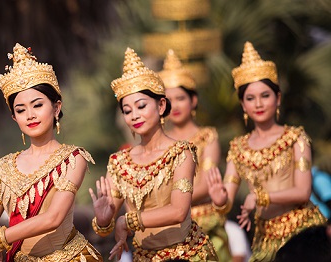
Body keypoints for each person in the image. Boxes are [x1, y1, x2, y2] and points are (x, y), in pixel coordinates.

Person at [0, 43, 101, 261]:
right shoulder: (5, 167)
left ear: (56, 108)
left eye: (37, 105)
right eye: (21, 110)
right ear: (14, 118)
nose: (30, 115)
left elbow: (53, 218)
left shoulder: (73, 159)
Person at [89, 48, 217, 261]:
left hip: (186, 255)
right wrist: (103, 220)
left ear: (161, 105)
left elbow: (178, 211)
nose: (134, 115)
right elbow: (105, 228)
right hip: (143, 256)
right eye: (127, 111)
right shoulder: (119, 162)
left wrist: (127, 221)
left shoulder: (181, 152)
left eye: (141, 106)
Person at [207, 41, 327, 262]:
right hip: (264, 241)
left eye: (265, 95)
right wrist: (220, 199)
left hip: (301, 234)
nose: (258, 104)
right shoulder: (237, 148)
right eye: (250, 98)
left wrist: (261, 197)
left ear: (278, 98)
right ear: (243, 105)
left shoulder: (295, 138)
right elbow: (227, 200)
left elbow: (302, 191)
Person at [159, 49, 231, 260]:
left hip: (204, 221)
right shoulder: (161, 142)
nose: (175, 105)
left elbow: (208, 183)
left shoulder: (207, 136)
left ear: (194, 100)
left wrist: (174, 205)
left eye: (180, 98)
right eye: (169, 100)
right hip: (169, 225)